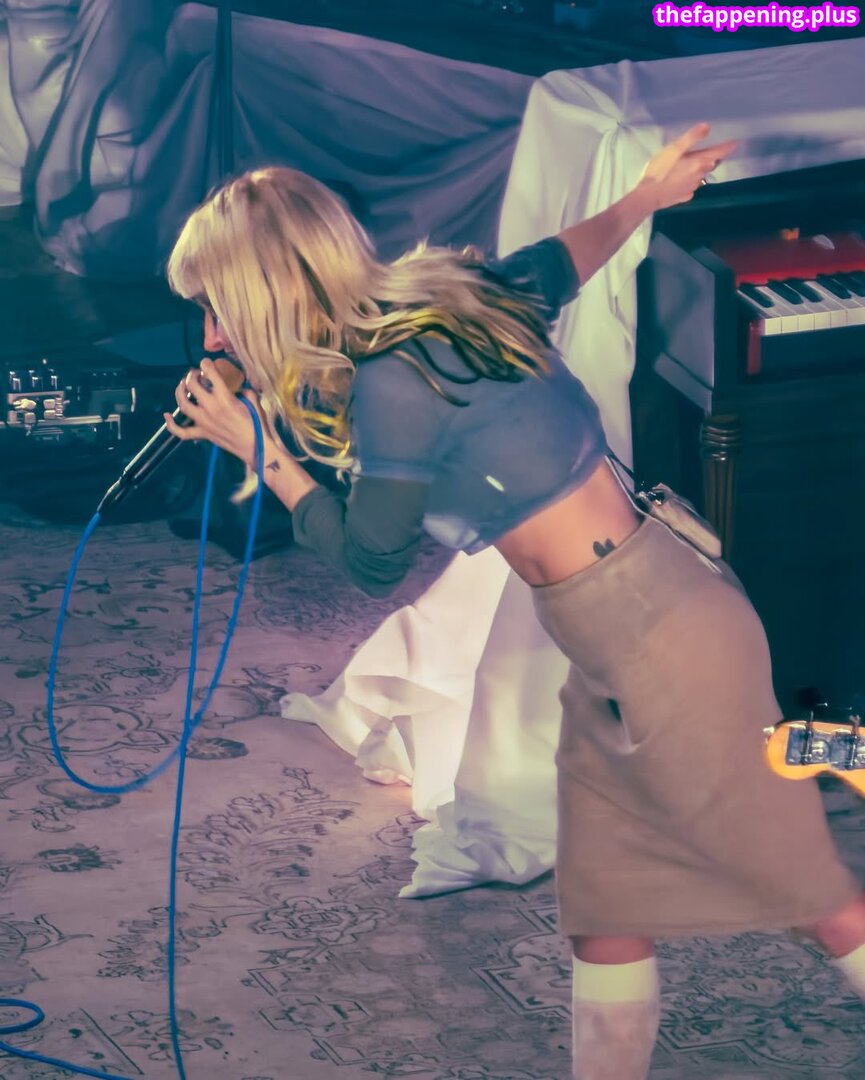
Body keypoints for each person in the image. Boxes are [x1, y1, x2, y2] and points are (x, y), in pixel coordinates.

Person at [162, 123, 865, 1080]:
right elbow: (561, 262)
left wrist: (263, 456)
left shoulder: (392, 379)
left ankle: (840, 748)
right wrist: (646, 196)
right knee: (608, 913)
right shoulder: (446, 298)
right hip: (626, 638)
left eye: (215, 309)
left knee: (806, 894)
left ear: (262, 292)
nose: (211, 335)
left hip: (662, 637)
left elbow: (372, 562)